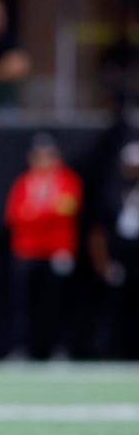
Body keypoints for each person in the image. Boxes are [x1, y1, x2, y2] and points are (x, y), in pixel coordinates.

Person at [4, 134, 82, 358]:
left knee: (57, 304)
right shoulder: (24, 182)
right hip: (27, 251)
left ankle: (59, 349)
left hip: (56, 251)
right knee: (24, 305)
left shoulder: (67, 180)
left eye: (48, 155)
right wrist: (45, 210)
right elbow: (13, 215)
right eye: (39, 155)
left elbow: (68, 209)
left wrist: (36, 211)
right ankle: (23, 349)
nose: (43, 160)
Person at [88, 142, 139, 357]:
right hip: (118, 257)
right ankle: (108, 353)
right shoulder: (112, 191)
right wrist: (104, 263)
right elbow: (98, 231)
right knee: (112, 307)